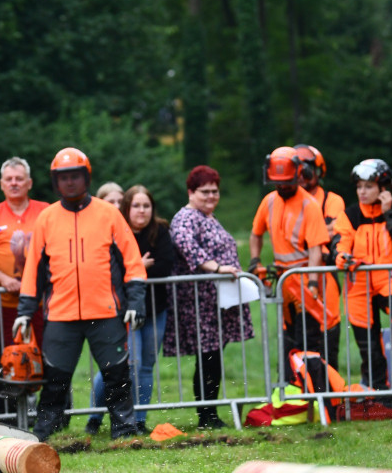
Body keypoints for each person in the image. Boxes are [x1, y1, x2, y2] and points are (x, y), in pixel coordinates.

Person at [16, 147, 147, 440]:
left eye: (75, 176)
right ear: (55, 181)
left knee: (117, 375)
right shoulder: (47, 219)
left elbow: (133, 261)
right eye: (64, 177)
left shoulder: (109, 213)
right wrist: (25, 311)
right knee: (54, 379)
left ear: (86, 178)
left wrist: (136, 301)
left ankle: (125, 432)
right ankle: (42, 435)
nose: (70, 182)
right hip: (61, 314)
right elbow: (33, 271)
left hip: (106, 312)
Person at [166, 165, 254, 429]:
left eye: (215, 191)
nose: (211, 196)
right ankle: (206, 415)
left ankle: (210, 413)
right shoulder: (185, 218)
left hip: (218, 301)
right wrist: (216, 268)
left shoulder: (210, 217)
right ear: (191, 192)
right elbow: (185, 244)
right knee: (208, 357)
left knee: (213, 356)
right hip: (198, 301)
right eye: (204, 192)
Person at [87, 185, 176, 435]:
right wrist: (140, 265)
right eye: (136, 205)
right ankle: (94, 417)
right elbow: (112, 271)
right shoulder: (116, 230)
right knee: (121, 365)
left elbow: (165, 266)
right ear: (127, 208)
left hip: (156, 310)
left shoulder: (160, 231)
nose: (141, 211)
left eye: (146, 206)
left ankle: (139, 420)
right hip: (125, 311)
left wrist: (136, 267)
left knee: (146, 365)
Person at [249, 146, 340, 376]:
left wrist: (311, 281)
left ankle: (319, 393)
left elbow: (315, 249)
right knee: (289, 339)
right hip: (285, 282)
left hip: (306, 281)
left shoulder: (310, 205)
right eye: (278, 184)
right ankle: (292, 390)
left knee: (311, 337)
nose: (282, 188)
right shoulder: (269, 201)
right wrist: (255, 259)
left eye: (287, 183)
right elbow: (256, 232)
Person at [334, 159, 392, 394]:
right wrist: (343, 257)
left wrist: (388, 213)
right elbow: (339, 244)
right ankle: (378, 391)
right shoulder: (349, 215)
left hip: (391, 278)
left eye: (368, 186)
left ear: (383, 188)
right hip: (358, 284)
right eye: (359, 186)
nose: (362, 192)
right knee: (367, 344)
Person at [0, 157, 50, 417]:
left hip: (42, 302)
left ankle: (51, 416)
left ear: (29, 183)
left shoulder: (46, 211)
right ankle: (7, 415)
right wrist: (4, 279)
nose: (14, 183)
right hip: (4, 304)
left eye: (19, 178)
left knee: (49, 357)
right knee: (7, 359)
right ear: (1, 184)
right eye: (9, 179)